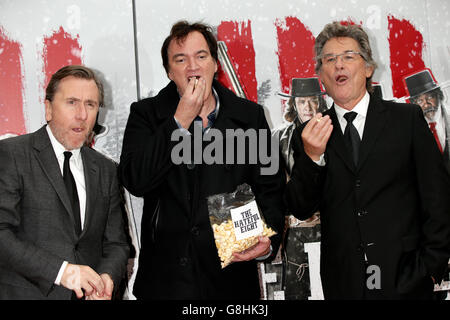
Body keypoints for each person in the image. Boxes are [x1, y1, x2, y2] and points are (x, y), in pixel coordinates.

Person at [118, 21, 285, 300]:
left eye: (201, 56)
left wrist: (267, 245)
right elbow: (136, 180)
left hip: (232, 278)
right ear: (170, 72)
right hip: (166, 281)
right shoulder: (146, 115)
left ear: (215, 64)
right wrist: (178, 122)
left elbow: (271, 188)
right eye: (180, 59)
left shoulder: (249, 117)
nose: (192, 67)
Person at [285, 22, 450, 299]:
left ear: (368, 68)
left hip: (406, 277)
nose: (339, 65)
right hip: (344, 282)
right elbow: (300, 208)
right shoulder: (308, 133)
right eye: (329, 59)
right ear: (320, 75)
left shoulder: (406, 120)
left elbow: (438, 198)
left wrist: (430, 267)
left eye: (348, 56)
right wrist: (313, 157)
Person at [0, 65, 130, 300]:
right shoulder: (11, 155)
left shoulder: (105, 169)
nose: (82, 114)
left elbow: (117, 245)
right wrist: (61, 272)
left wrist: (106, 279)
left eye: (90, 104)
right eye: (72, 102)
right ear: (48, 108)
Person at [275, 77, 328, 176]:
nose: (307, 107)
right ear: (294, 105)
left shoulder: (334, 131)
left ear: (319, 102)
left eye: (313, 100)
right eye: (302, 102)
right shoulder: (280, 138)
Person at [405, 69, 450, 171]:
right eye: (420, 100)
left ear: (439, 96)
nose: (426, 104)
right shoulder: (410, 132)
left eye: (430, 97)